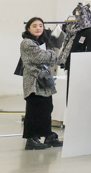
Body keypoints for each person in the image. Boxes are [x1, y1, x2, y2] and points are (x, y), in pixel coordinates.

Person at [19, 17, 70, 150]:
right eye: (35, 26)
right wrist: (52, 51)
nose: (38, 28)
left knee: (46, 109)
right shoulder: (27, 43)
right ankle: (31, 139)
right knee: (34, 110)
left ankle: (48, 135)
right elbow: (42, 57)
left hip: (44, 81)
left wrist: (50, 53)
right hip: (34, 82)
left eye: (40, 26)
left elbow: (52, 61)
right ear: (28, 28)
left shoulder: (40, 42)